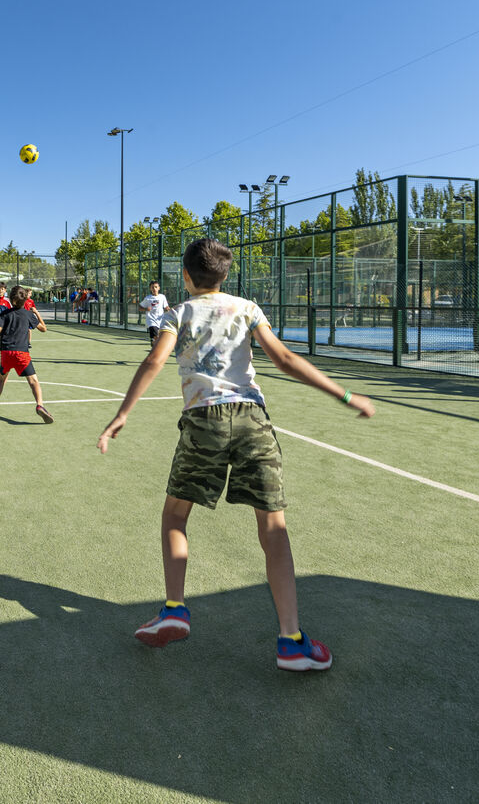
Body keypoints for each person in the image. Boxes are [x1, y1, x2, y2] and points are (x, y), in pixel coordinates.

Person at [96, 237, 375, 672]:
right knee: (273, 526)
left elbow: (154, 361)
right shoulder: (246, 307)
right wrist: (344, 395)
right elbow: (282, 358)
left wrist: (122, 414)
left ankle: (175, 608)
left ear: (185, 276)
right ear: (225, 275)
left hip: (203, 420)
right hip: (251, 418)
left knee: (175, 516)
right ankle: (292, 641)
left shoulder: (177, 312)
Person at [0, 285, 53, 424]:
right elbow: (44, 329)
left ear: (11, 300)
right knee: (33, 381)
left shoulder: (5, 314)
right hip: (21, 353)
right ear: (25, 300)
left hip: (6, 352)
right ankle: (40, 405)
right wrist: (36, 313)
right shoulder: (28, 314)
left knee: (1, 380)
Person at [138, 281, 170, 349]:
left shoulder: (162, 297)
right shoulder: (148, 298)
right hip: (151, 320)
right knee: (156, 336)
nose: (154, 289)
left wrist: (168, 309)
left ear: (159, 288)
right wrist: (146, 309)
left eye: (156, 287)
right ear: (150, 288)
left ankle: (153, 343)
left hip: (160, 320)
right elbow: (140, 308)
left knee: (158, 337)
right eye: (152, 287)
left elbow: (166, 306)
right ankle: (156, 347)